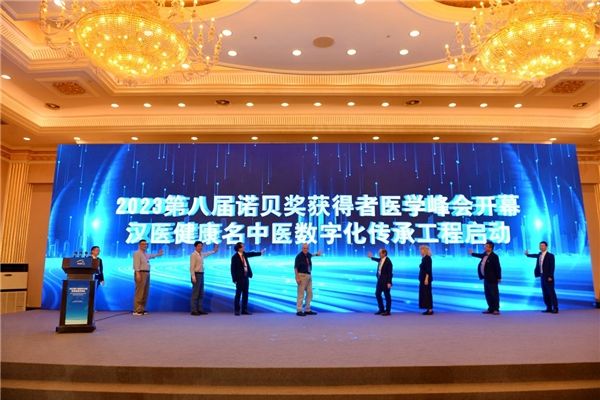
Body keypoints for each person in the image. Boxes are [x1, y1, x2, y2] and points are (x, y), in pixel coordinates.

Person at [230, 242, 265, 316]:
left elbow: (252, 254)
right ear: (239, 248)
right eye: (242, 247)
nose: (244, 247)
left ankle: (244, 310)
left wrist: (260, 253)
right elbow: (232, 269)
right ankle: (237, 310)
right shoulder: (234, 257)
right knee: (238, 294)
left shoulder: (244, 254)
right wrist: (234, 279)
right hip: (239, 278)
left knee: (245, 294)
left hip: (246, 277)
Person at [132, 239, 164, 316]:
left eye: (146, 244)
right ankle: (137, 309)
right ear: (139, 245)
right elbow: (136, 264)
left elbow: (152, 256)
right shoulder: (137, 253)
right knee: (140, 291)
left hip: (147, 273)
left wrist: (158, 254)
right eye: (143, 244)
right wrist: (137, 273)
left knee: (145, 292)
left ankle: (142, 308)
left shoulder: (145, 254)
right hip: (141, 273)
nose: (145, 245)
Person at [525, 241, 558, 313]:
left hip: (548, 277)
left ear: (546, 247)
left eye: (543, 246)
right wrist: (527, 255)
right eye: (540, 246)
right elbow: (534, 255)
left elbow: (552, 267)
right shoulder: (539, 254)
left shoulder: (550, 256)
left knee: (551, 292)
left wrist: (550, 276)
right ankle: (549, 307)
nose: (541, 247)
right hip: (542, 276)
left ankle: (555, 308)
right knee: (545, 292)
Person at [469, 240, 501, 315]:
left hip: (492, 278)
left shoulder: (494, 256)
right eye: (484, 246)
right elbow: (479, 255)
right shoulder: (485, 254)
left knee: (494, 294)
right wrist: (472, 253)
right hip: (485, 278)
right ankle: (490, 308)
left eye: (486, 246)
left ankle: (496, 309)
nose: (484, 247)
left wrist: (499, 277)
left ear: (490, 248)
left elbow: (498, 267)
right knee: (488, 294)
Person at [190, 241, 219, 316]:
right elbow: (191, 267)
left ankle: (200, 309)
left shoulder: (201, 254)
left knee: (201, 293)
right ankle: (194, 310)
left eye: (201, 246)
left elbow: (208, 253)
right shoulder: (193, 255)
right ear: (195, 247)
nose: (200, 247)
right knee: (195, 293)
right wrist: (193, 277)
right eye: (199, 246)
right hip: (196, 275)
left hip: (201, 274)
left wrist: (214, 250)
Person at [294, 243, 322, 316]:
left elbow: (312, 255)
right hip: (302, 275)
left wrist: (317, 254)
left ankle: (307, 309)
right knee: (301, 294)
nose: (305, 249)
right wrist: (297, 277)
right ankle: (299, 310)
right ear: (302, 248)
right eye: (304, 248)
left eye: (307, 248)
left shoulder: (308, 255)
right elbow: (295, 268)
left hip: (309, 275)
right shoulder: (299, 256)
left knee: (309, 293)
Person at [367, 248, 393, 316]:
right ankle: (381, 309)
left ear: (384, 253)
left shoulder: (388, 261)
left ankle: (387, 311)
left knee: (387, 296)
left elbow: (390, 273)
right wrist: (371, 257)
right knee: (377, 294)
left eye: (380, 253)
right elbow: (377, 260)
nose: (379, 254)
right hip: (380, 280)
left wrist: (389, 282)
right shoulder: (381, 259)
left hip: (386, 281)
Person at [418, 245, 433, 315]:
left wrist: (426, 279)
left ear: (425, 250)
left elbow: (428, 269)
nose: (420, 251)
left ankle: (430, 309)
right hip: (423, 279)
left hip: (426, 279)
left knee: (427, 294)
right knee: (425, 294)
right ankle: (428, 308)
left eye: (421, 250)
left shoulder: (428, 258)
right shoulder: (424, 258)